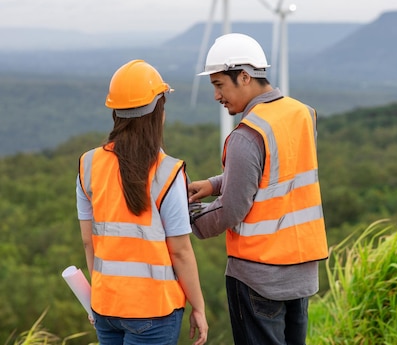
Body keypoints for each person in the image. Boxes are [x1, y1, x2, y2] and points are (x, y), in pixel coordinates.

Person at [187, 33, 328, 345]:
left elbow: (233, 208)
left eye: (219, 84)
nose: (216, 96)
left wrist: (186, 216)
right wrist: (213, 184)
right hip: (300, 271)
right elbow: (274, 174)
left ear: (244, 77)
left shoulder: (246, 134)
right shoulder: (303, 114)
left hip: (258, 276)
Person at [75, 59, 209, 345]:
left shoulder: (87, 165)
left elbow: (89, 242)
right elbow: (181, 252)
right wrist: (198, 306)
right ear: (158, 109)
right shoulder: (167, 172)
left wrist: (98, 293)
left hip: (105, 306)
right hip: (154, 310)